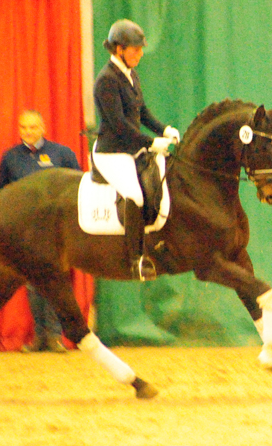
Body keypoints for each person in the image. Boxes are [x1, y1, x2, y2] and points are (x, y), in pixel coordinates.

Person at [93, 18, 180, 281]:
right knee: (136, 195)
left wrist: (163, 130)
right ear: (118, 49)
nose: (140, 54)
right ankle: (135, 261)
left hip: (131, 147)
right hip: (112, 152)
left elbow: (141, 111)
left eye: (141, 49)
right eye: (135, 49)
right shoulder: (106, 81)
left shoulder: (131, 74)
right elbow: (119, 126)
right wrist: (151, 143)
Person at [0, 109, 82, 353]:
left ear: (43, 128)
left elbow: (79, 185)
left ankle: (56, 337)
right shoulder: (10, 158)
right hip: (26, 232)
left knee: (56, 283)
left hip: (58, 232)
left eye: (33, 127)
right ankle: (40, 337)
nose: (28, 132)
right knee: (33, 286)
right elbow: (2, 193)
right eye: (23, 127)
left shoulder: (62, 153)